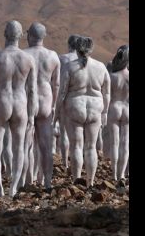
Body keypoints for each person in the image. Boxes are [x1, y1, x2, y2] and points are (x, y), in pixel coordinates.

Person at [0, 21, 37, 197]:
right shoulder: (29, 59)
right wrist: (31, 114)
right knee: (19, 147)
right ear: (21, 36)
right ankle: (14, 187)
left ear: (5, 34)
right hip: (20, 103)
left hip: (2, 101)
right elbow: (32, 90)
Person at [55, 36, 110, 186]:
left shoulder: (69, 67)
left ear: (77, 49)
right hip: (95, 107)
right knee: (91, 146)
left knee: (76, 146)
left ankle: (76, 180)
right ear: (90, 49)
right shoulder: (101, 67)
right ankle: (90, 182)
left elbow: (62, 93)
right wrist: (104, 112)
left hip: (75, 107)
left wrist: (56, 113)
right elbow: (107, 93)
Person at [22, 22, 60, 189]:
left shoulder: (23, 54)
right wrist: (54, 106)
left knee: (27, 144)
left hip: (27, 101)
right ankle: (47, 181)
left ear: (30, 35)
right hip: (46, 100)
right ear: (43, 36)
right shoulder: (52, 56)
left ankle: (28, 180)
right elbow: (56, 84)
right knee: (46, 145)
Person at [57, 35, 80, 172]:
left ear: (69, 44)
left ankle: (65, 162)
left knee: (63, 131)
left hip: (65, 98)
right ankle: (77, 163)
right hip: (79, 98)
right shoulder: (83, 60)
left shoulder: (62, 58)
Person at [106, 45, 129, 182]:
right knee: (125, 143)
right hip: (127, 109)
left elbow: (107, 96)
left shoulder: (112, 76)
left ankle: (114, 175)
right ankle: (121, 175)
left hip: (114, 107)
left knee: (114, 143)